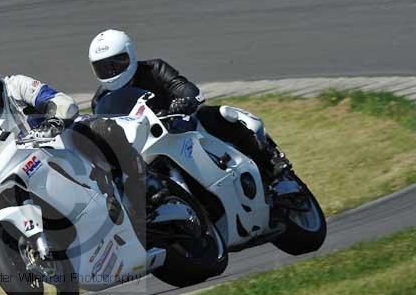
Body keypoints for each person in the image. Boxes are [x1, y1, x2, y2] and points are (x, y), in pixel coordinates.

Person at [0, 52, 152, 244]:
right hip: (13, 172)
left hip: (54, 146)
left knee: (100, 129)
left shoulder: (15, 87)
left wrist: (53, 121)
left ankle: (138, 188)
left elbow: (60, 101)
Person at [88, 29, 291, 184]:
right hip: (146, 147)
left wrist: (183, 101)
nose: (110, 72)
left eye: (116, 64)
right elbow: (104, 133)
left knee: (218, 115)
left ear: (130, 55)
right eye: (102, 68)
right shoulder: (100, 100)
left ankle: (269, 162)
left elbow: (184, 87)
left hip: (180, 126)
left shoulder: (154, 69)